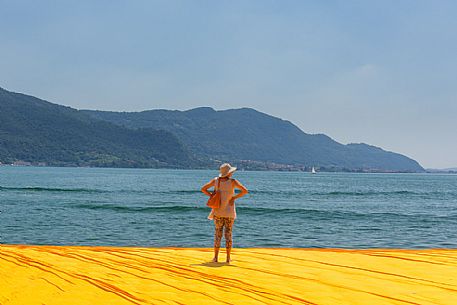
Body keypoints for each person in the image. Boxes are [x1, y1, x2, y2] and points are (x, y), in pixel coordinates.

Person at [201, 163, 248, 263]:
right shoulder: (233, 182)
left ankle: (215, 258)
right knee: (228, 235)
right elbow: (244, 191)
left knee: (218, 235)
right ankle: (228, 258)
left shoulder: (216, 181)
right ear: (229, 173)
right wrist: (233, 198)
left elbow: (203, 189)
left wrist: (211, 195)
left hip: (218, 212)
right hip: (230, 212)